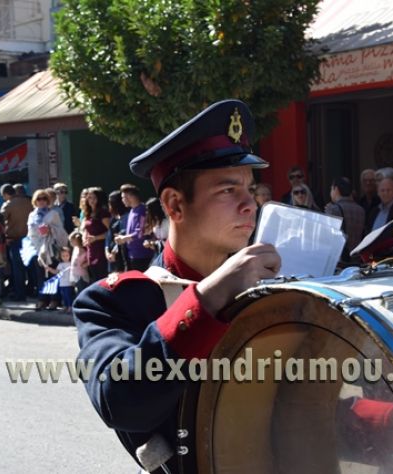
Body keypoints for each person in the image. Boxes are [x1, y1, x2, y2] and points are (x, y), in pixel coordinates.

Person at [74, 99, 280, 472]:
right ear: (174, 205)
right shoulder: (115, 300)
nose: (250, 204)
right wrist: (212, 295)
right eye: (228, 190)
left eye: (250, 189)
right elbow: (120, 401)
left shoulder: (270, 289)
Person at [0, 183, 33, 302]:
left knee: (17, 268)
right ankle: (32, 290)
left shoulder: (8, 204)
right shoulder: (30, 202)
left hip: (15, 239)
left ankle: (20, 294)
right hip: (30, 239)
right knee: (31, 267)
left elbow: (0, 221)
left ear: (6, 194)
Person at [116, 184, 155, 271]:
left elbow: (140, 233)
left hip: (142, 256)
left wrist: (124, 238)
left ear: (130, 197)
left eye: (123, 197)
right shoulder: (132, 210)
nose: (122, 200)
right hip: (133, 255)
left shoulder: (142, 210)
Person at [325, 177, 365, 260]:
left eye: (331, 189)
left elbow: (329, 237)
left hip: (340, 258)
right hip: (357, 256)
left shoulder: (333, 209)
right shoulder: (361, 210)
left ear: (335, 189)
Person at [82, 187, 111, 282]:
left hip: (101, 250)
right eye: (89, 197)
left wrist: (96, 238)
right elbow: (86, 229)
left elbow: (111, 232)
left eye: (94, 197)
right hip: (91, 249)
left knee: (102, 278)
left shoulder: (103, 213)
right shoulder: (88, 213)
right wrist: (84, 237)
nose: (91, 200)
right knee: (94, 278)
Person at [105, 190, 129, 274]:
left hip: (121, 257)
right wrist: (107, 251)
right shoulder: (113, 219)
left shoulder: (126, 217)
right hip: (111, 258)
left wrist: (115, 252)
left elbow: (123, 235)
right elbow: (109, 237)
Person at [46, 246, 75, 313]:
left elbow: (74, 273)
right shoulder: (60, 264)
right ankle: (65, 306)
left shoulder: (71, 264)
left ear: (70, 255)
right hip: (62, 284)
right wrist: (50, 269)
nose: (65, 257)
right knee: (64, 296)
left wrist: (74, 281)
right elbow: (56, 272)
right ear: (60, 256)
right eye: (63, 256)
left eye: (67, 255)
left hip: (69, 284)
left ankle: (70, 306)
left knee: (69, 296)